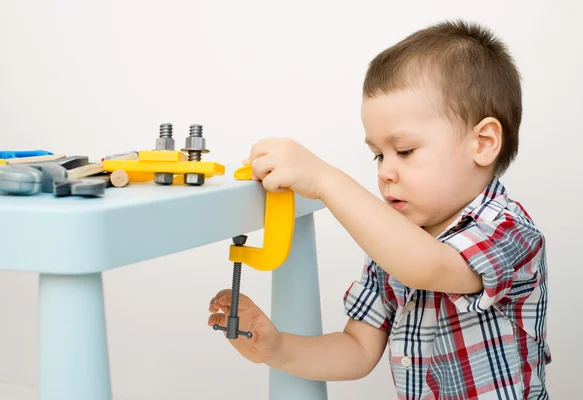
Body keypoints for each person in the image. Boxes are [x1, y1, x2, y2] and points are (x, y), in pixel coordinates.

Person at [208, 19, 550, 399]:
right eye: (377, 156)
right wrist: (278, 349)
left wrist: (326, 180)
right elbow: (357, 349)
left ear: (483, 143)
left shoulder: (509, 230)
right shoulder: (395, 243)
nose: (386, 172)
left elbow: (430, 267)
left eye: (404, 151)